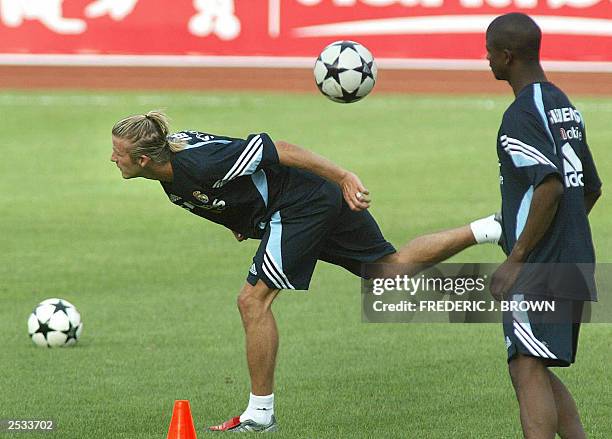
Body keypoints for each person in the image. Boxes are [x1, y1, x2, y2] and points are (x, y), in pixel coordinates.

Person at [110, 112, 501, 432]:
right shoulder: (171, 166)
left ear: (144, 159)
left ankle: (260, 415)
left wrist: (344, 176)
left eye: (118, 153)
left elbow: (279, 150)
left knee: (252, 302)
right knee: (388, 272)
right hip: (308, 201)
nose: (114, 159)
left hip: (298, 206)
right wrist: (239, 219)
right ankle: (492, 228)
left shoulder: (198, 161)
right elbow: (218, 192)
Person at [486, 13, 602, 439]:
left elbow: (550, 186)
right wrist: (564, 240)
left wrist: (520, 258)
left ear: (507, 56)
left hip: (538, 268)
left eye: (489, 52)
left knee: (525, 365)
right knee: (533, 363)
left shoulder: (521, 114)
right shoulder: (562, 104)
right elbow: (590, 188)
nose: (487, 60)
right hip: (574, 260)